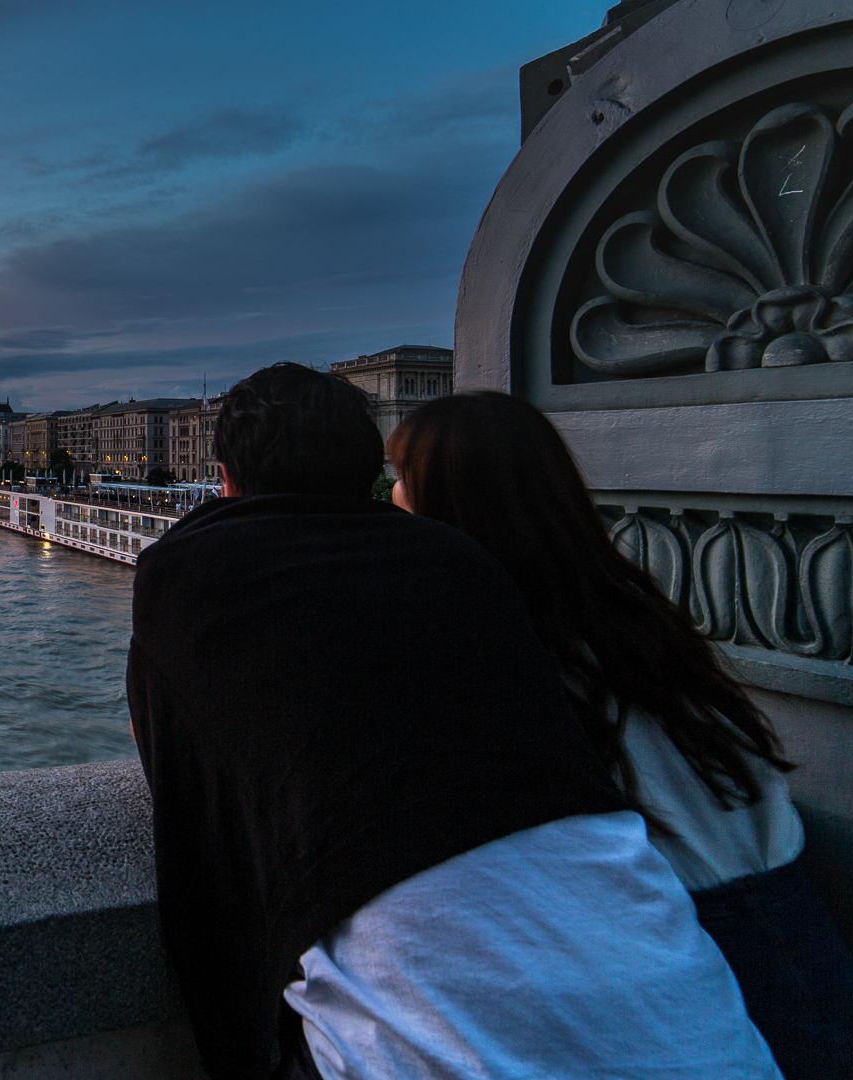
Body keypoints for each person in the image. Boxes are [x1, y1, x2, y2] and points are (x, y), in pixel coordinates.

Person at [129, 362, 780, 1080]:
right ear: (368, 471)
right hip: (705, 1020)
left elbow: (198, 825)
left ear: (224, 479)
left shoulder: (186, 577)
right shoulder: (475, 574)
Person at [385, 390, 853, 1080]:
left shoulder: (501, 649)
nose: (391, 494)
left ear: (450, 501)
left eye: (401, 477)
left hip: (681, 937)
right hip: (789, 913)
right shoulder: (623, 609)